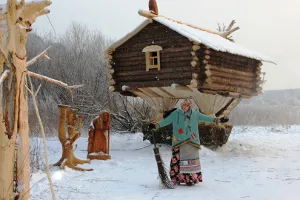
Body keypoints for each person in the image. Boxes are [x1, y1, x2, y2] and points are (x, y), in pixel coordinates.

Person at [148, 98, 228, 186]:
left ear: (190, 106)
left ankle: (190, 179)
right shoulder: (175, 114)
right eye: (184, 105)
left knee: (191, 162)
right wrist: (156, 125)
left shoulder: (195, 114)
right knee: (177, 160)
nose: (185, 107)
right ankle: (177, 178)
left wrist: (218, 120)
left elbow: (206, 118)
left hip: (192, 141)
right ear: (181, 105)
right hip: (179, 141)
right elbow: (165, 121)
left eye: (187, 105)